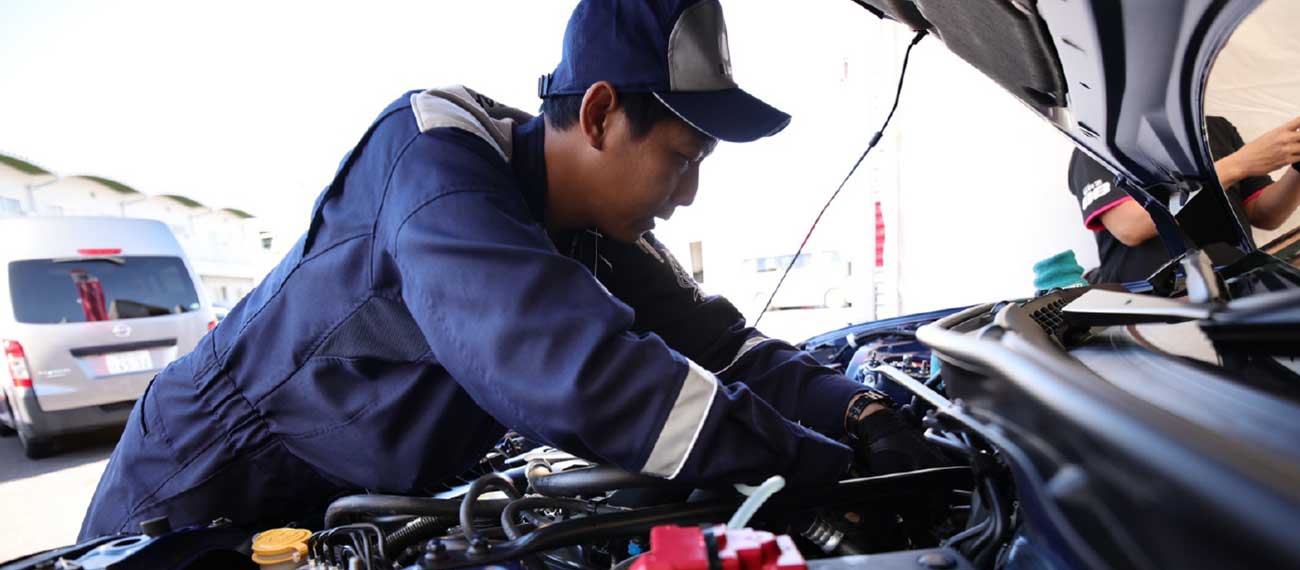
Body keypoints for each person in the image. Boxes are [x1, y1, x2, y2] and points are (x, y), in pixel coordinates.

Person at [79, 0, 938, 540]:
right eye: (680, 159)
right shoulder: (434, 161)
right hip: (206, 476)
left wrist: (860, 411)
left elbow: (725, 350)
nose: (688, 194)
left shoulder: (595, 233)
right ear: (600, 113)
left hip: (350, 510)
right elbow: (575, 369)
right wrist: (815, 468)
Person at [1068, 115, 1300, 284]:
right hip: (1156, 307)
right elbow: (1130, 226)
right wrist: (1238, 164)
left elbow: (1265, 215)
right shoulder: (1098, 145)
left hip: (1242, 289)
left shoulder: (1216, 128)